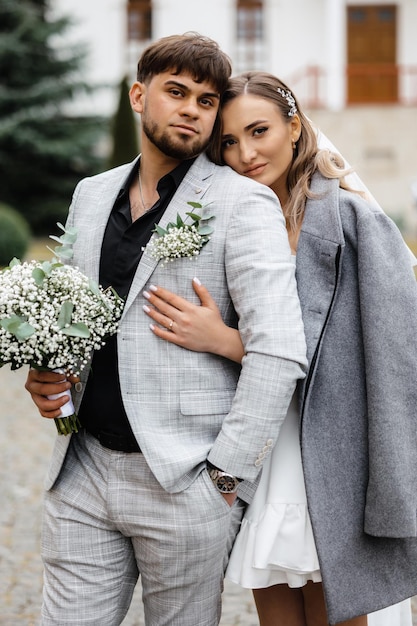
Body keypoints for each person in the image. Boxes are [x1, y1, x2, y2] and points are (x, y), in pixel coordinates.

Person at [24, 37, 307, 626]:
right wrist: (47, 366)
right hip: (82, 469)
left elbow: (279, 351)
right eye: (176, 92)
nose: (191, 110)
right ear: (138, 94)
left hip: (183, 482)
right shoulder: (91, 194)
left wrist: (224, 477)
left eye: (206, 101)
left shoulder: (242, 203)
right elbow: (70, 311)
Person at [141, 71, 417, 625]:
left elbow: (388, 353)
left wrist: (226, 341)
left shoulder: (355, 223)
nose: (245, 153)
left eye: (259, 131)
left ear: (295, 127)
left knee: (338, 606)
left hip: (336, 449)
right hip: (260, 444)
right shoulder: (227, 222)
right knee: (276, 606)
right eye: (228, 142)